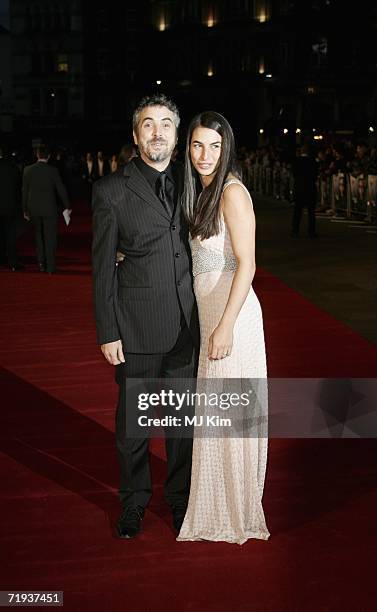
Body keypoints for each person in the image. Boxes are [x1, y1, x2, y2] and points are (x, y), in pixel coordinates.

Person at [92, 94, 199, 539]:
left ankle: (179, 501)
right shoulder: (111, 190)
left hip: (188, 328)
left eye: (166, 125)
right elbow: (101, 270)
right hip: (135, 328)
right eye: (148, 125)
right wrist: (108, 330)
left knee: (180, 427)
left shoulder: (195, 184)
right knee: (134, 426)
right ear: (136, 135)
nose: (158, 132)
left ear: (177, 136)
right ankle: (134, 501)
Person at [177, 111, 270, 544]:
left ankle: (235, 510)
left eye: (214, 146)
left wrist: (226, 327)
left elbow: (248, 264)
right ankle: (218, 503)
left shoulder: (232, 192)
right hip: (212, 315)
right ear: (187, 147)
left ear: (226, 147)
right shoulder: (200, 191)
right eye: (198, 145)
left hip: (233, 318)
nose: (205, 154)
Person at [22, 145, 71, 274]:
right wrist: (67, 205)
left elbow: (24, 192)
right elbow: (60, 189)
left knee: (38, 237)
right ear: (48, 156)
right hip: (49, 209)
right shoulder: (52, 170)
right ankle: (50, 266)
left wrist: (25, 209)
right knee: (50, 238)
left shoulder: (27, 170)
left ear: (37, 155)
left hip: (34, 209)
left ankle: (41, 264)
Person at [0, 146, 23, 271]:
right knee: (10, 235)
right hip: (9, 206)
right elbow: (18, 187)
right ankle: (13, 262)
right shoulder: (12, 168)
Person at [291, 143, 318, 238]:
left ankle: (295, 230)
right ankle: (311, 231)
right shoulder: (313, 161)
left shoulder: (296, 161)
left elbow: (294, 173)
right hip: (310, 187)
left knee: (297, 210)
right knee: (311, 211)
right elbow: (315, 174)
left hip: (299, 187)